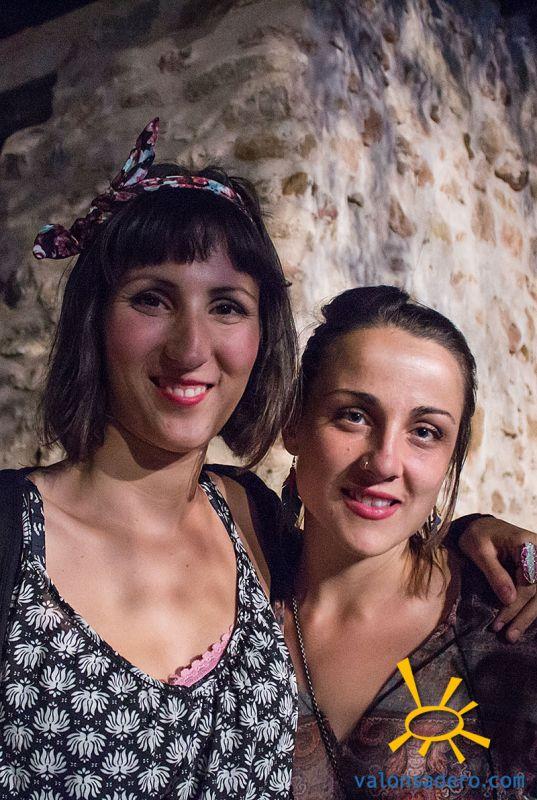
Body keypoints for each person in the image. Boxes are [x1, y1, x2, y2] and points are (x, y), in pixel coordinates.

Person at [0, 118, 534, 799]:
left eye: (227, 306)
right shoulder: (19, 537)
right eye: (152, 299)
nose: (190, 348)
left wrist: (476, 535)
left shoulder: (247, 520)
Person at [280, 286, 537, 799]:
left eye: (425, 431)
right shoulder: (231, 598)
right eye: (354, 415)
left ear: (451, 457)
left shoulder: (510, 628)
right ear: (293, 423)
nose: (384, 462)